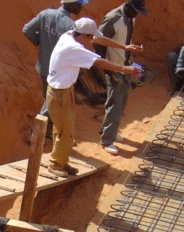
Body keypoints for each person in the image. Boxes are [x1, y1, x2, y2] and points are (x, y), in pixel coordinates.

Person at [23, 0, 140, 136]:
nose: (81, 7)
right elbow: (97, 52)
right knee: (51, 103)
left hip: (43, 66)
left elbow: (27, 30)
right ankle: (37, 133)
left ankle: (47, 130)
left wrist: (40, 44)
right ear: (71, 5)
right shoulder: (72, 26)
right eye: (79, 4)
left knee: (49, 99)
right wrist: (123, 64)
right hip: (60, 72)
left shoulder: (46, 14)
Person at [45, 18, 142, 178]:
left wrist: (123, 46)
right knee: (65, 131)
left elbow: (98, 39)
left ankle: (61, 160)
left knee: (64, 129)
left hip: (63, 91)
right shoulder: (74, 48)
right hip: (59, 94)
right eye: (90, 37)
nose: (92, 41)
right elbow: (99, 62)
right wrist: (124, 69)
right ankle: (55, 164)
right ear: (84, 36)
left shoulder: (69, 35)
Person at [94, 0, 148, 155]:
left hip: (126, 65)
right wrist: (105, 65)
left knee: (122, 101)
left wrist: (132, 48)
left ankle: (109, 130)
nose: (137, 14)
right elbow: (98, 41)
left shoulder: (131, 17)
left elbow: (122, 40)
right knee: (115, 102)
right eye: (136, 11)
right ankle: (107, 140)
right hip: (114, 66)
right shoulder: (113, 18)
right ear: (128, 6)